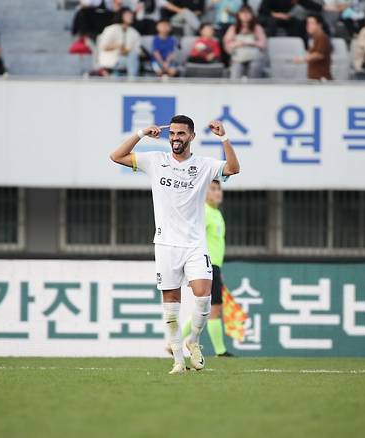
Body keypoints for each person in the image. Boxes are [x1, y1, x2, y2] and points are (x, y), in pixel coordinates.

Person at [109, 115, 240, 374]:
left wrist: (224, 138)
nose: (176, 138)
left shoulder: (203, 165)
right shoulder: (155, 160)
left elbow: (233, 169)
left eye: (181, 134)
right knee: (171, 306)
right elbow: (116, 156)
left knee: (203, 297)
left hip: (195, 245)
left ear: (191, 136)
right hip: (166, 244)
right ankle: (178, 360)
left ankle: (194, 341)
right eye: (173, 134)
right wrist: (141, 133)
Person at [178, 180, 234, 357]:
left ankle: (176, 342)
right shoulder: (204, 213)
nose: (217, 192)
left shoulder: (217, 214)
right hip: (207, 265)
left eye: (219, 189)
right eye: (213, 189)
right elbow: (193, 237)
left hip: (215, 266)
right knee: (214, 309)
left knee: (205, 309)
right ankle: (220, 351)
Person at [223, 5, 266, 79]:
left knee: (255, 67)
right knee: (236, 71)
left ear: (252, 15)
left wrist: (252, 43)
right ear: (238, 15)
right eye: (243, 13)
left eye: (248, 13)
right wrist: (237, 44)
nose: (245, 15)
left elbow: (263, 44)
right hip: (238, 58)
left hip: (254, 57)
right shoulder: (233, 28)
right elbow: (227, 44)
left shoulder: (257, 28)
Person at [96, 8, 140, 77]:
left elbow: (137, 50)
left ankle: (132, 78)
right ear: (121, 15)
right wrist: (117, 46)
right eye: (128, 15)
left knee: (133, 55)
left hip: (127, 60)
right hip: (112, 60)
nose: (131, 16)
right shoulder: (111, 29)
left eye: (131, 15)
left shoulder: (134, 32)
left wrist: (127, 51)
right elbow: (102, 46)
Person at [294, 13, 332, 80]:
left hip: (321, 78)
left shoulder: (321, 37)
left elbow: (319, 54)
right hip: (315, 78)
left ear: (319, 25)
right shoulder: (314, 38)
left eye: (312, 23)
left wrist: (302, 59)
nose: (308, 26)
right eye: (308, 23)